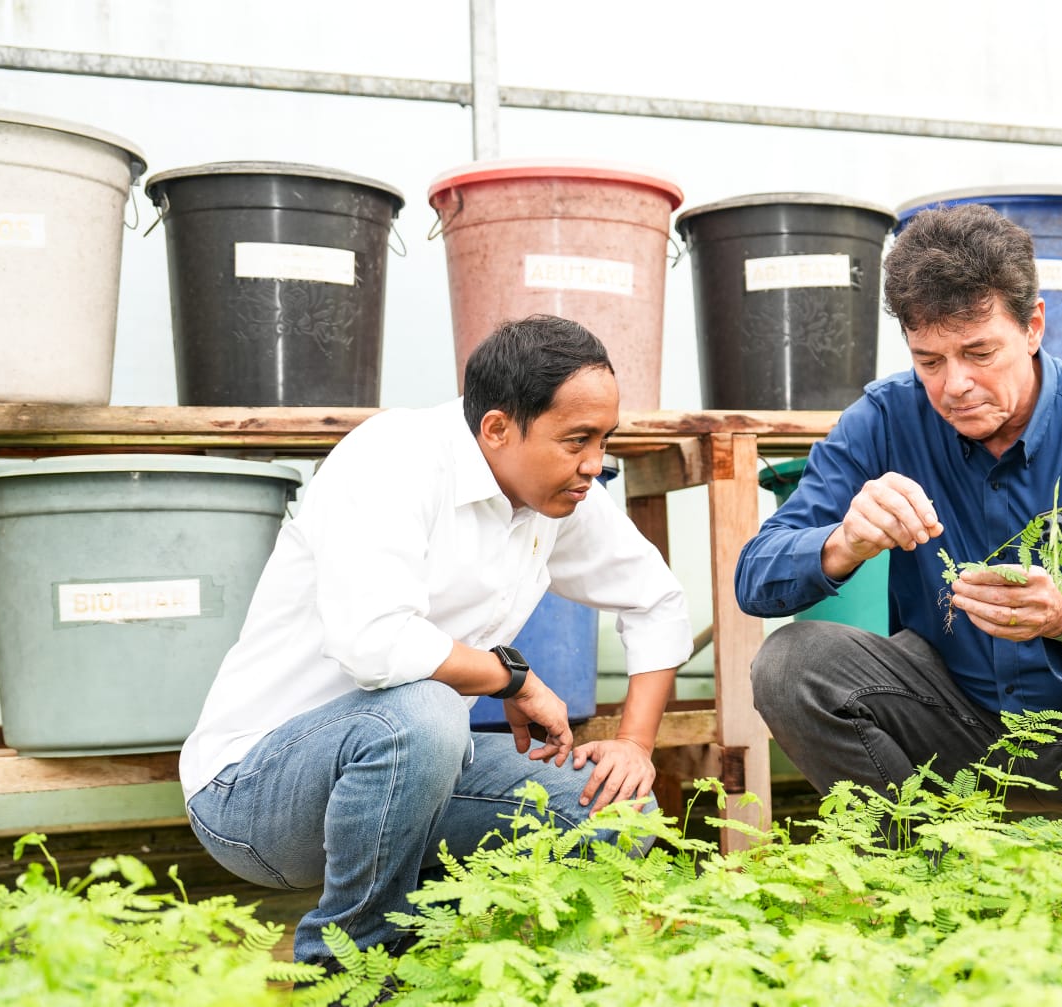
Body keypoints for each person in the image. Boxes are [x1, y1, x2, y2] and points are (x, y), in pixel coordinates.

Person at [735, 203, 1062, 837]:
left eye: (979, 352)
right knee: (790, 664)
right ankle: (920, 888)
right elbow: (754, 578)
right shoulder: (883, 420)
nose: (955, 384)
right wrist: (841, 542)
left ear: (1034, 326)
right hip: (944, 719)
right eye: (929, 361)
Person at [179, 315, 692, 967]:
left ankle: (436, 947)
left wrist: (634, 744)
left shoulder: (558, 493)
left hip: (411, 777)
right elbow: (375, 645)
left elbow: (656, 598)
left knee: (619, 810)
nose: (594, 463)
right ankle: (349, 964)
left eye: (603, 440)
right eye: (576, 440)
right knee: (425, 711)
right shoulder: (394, 458)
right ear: (497, 427)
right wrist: (512, 676)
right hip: (254, 794)